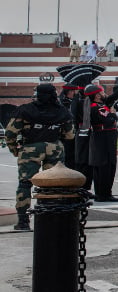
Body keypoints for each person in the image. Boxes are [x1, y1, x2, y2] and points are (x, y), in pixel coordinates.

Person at [5, 83, 75, 231]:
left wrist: (14, 149)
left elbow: (10, 133)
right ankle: (51, 218)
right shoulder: (62, 111)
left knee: (25, 183)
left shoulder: (25, 110)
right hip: (54, 148)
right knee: (53, 185)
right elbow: (70, 134)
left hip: (30, 148)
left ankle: (23, 221)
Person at [85, 75, 118, 202]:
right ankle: (104, 194)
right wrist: (113, 114)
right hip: (103, 139)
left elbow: (115, 96)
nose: (104, 94)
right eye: (101, 92)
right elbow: (109, 120)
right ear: (97, 95)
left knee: (104, 167)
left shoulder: (101, 104)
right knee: (106, 167)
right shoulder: (96, 107)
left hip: (104, 139)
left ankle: (102, 193)